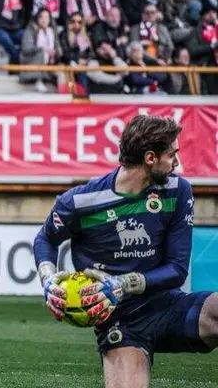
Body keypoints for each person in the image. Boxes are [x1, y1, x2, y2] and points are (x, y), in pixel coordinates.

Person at [33, 115, 217, 388]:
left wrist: (122, 283)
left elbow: (177, 270)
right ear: (150, 158)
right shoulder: (80, 202)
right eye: (172, 154)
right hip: (121, 323)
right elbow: (44, 239)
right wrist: (48, 279)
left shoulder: (177, 191)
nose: (176, 163)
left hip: (170, 305)